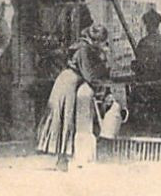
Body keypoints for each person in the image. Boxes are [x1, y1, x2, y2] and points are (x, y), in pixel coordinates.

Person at [37, 24, 109, 171]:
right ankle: (61, 160)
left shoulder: (81, 46)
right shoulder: (84, 49)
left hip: (65, 81)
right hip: (68, 84)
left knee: (62, 119)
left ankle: (61, 160)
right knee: (65, 120)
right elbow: (89, 75)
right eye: (102, 42)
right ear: (96, 40)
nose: (102, 45)